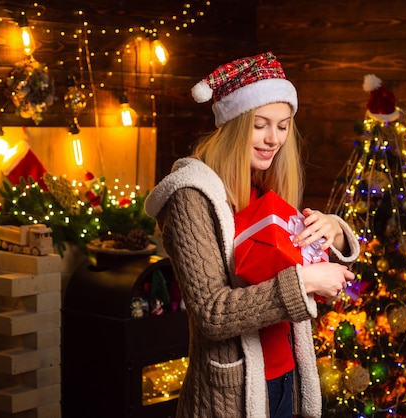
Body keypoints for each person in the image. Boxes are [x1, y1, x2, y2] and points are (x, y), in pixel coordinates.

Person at [145, 51, 360, 418]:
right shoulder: (190, 198)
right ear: (235, 123)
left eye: (283, 124)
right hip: (233, 393)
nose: (273, 138)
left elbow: (293, 268)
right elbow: (213, 314)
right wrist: (304, 280)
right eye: (260, 124)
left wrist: (334, 232)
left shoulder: (262, 187)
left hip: (286, 379)